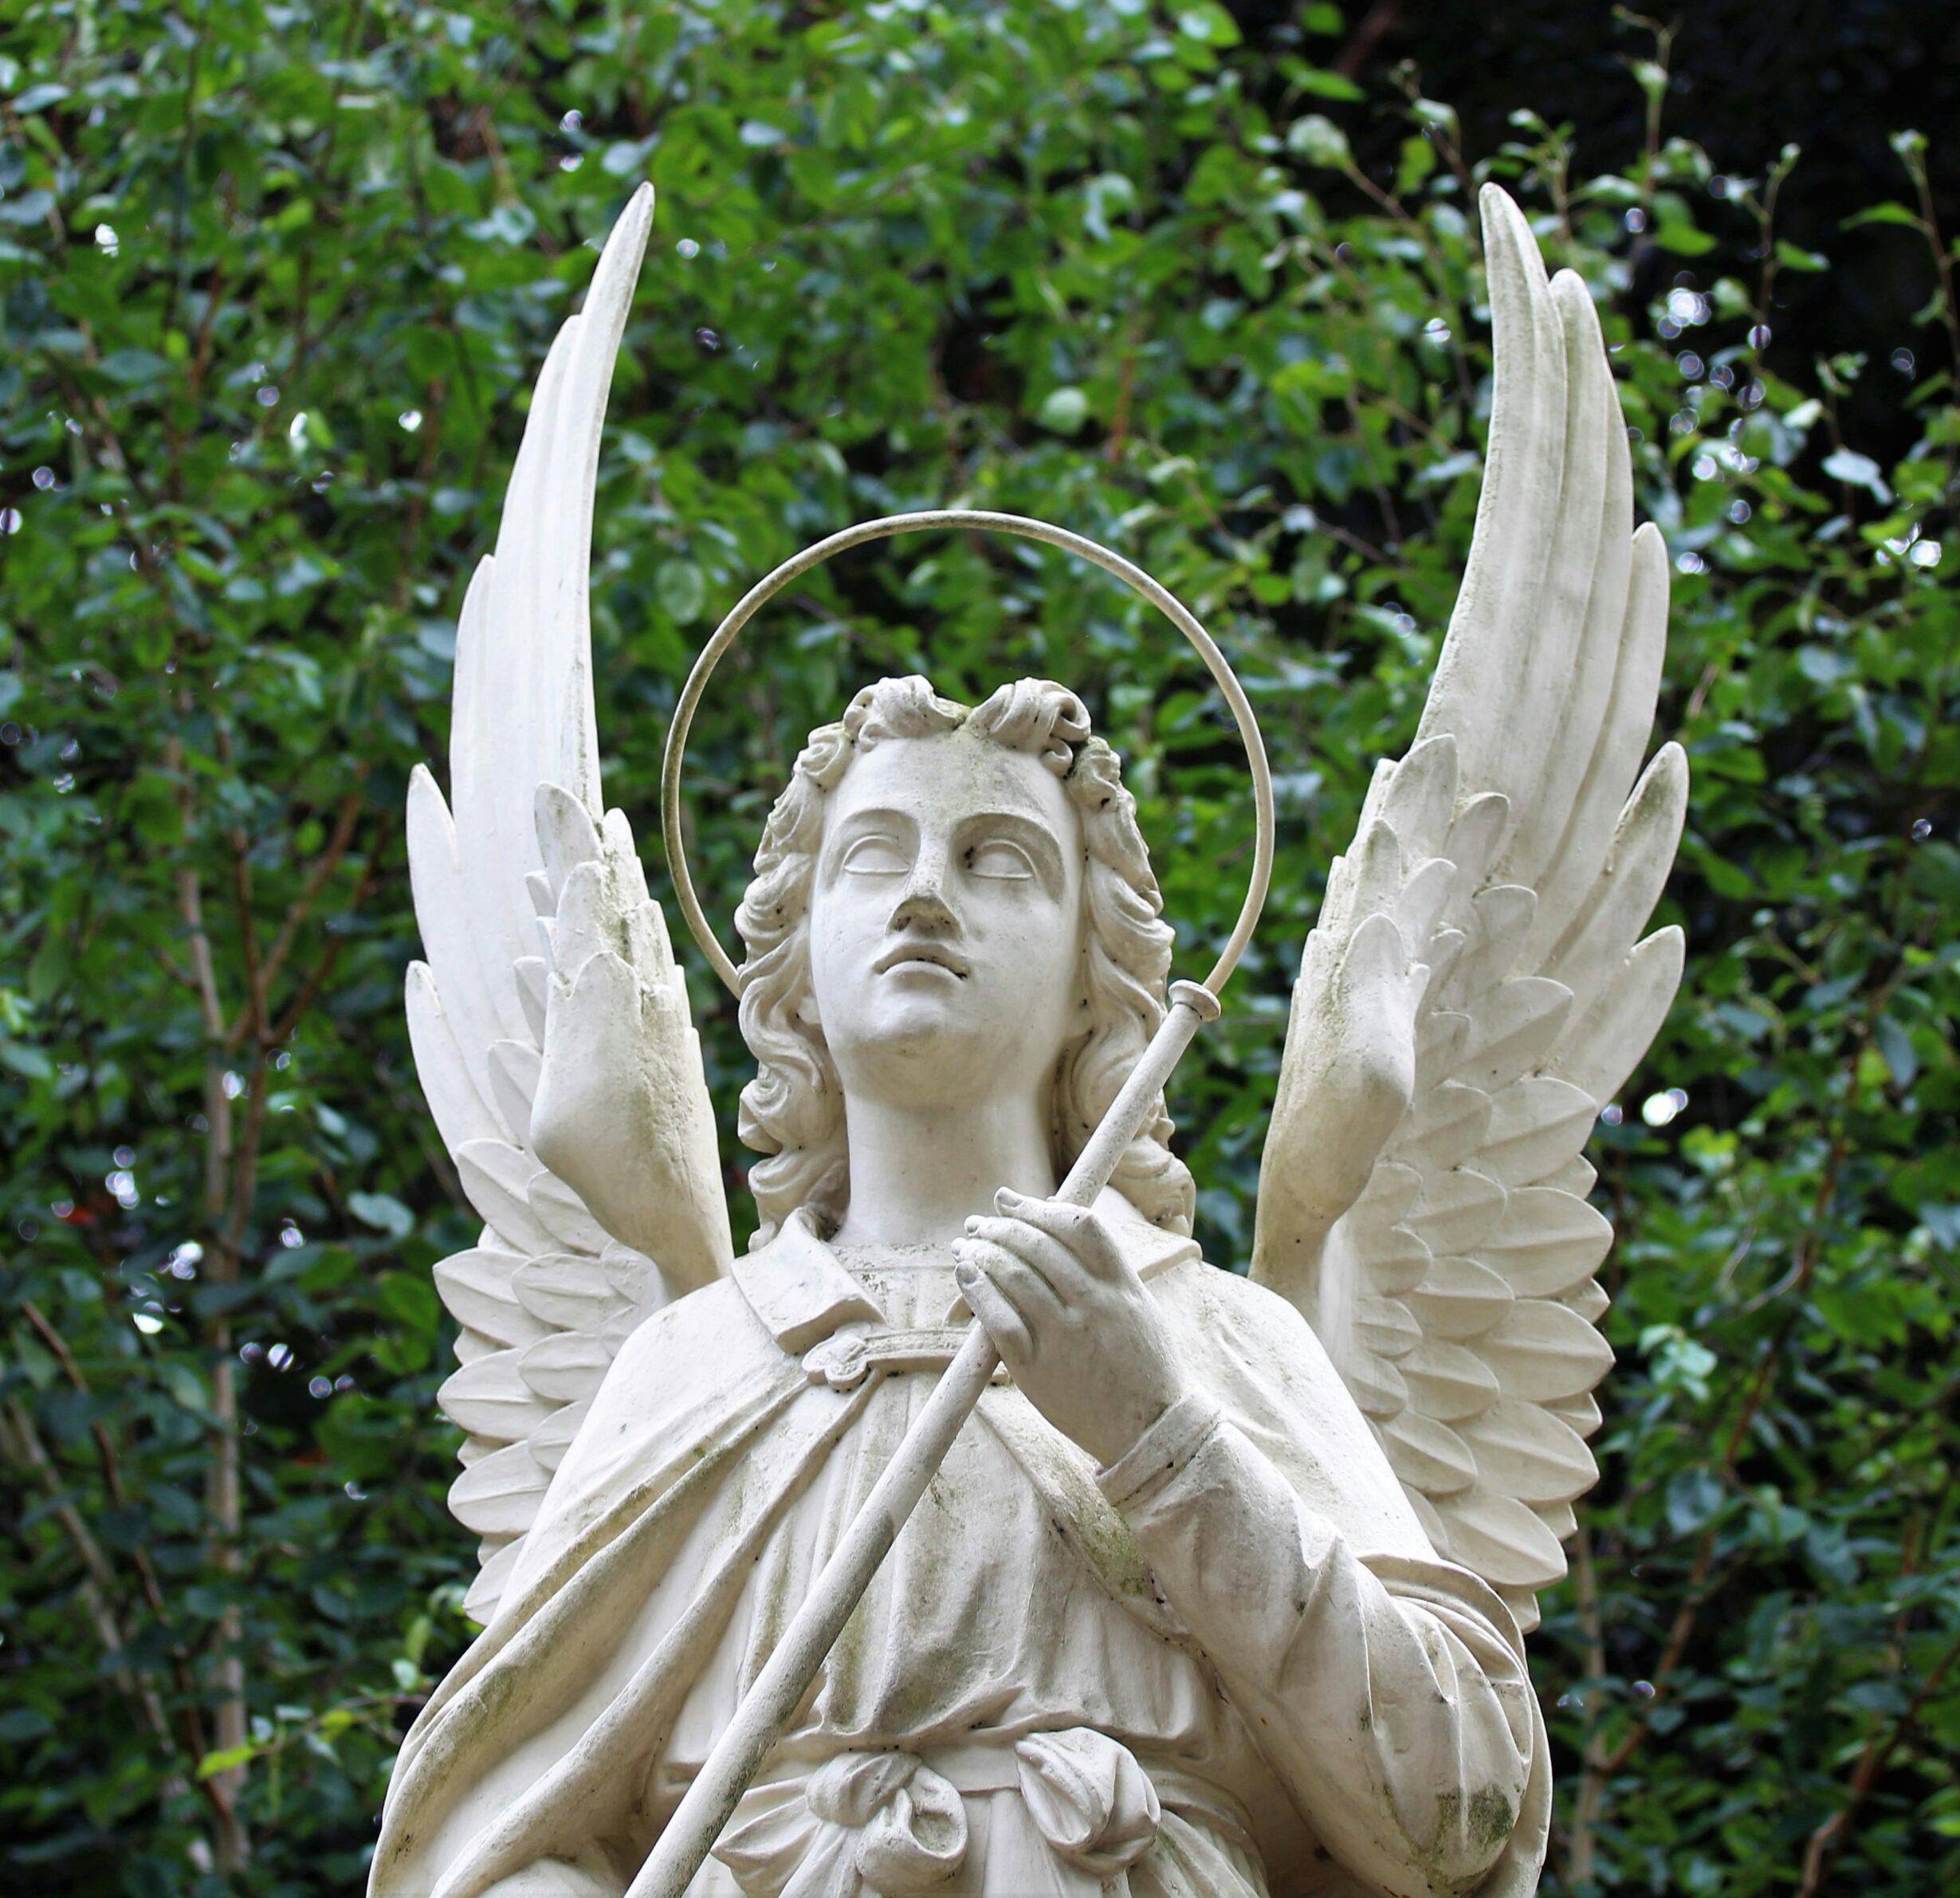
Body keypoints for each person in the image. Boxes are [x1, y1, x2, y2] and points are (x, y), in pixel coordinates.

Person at [370, 677, 1547, 1898]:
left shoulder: (1207, 1334)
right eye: (873, 857)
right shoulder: (696, 1360)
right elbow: (481, 1833)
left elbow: (1452, 1799)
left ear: (1100, 977)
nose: (926, 894)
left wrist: (1155, 1430)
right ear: (797, 963)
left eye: (1000, 862)